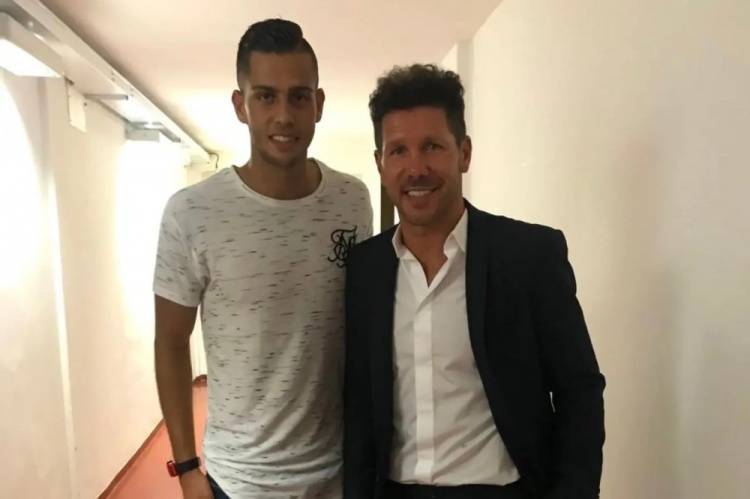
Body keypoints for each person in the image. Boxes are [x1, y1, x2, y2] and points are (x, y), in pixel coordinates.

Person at [343, 64, 604, 499]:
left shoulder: (528, 256)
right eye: (399, 151)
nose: (416, 168)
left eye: (432, 146)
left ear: (463, 153)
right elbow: (359, 407)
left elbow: (579, 390)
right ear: (380, 164)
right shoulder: (364, 270)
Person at [154, 18, 372, 499]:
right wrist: (186, 468)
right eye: (266, 96)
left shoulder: (352, 201)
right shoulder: (191, 212)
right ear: (241, 105)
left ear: (318, 104)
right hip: (238, 481)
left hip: (337, 474)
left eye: (299, 96)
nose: (283, 115)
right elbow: (170, 342)